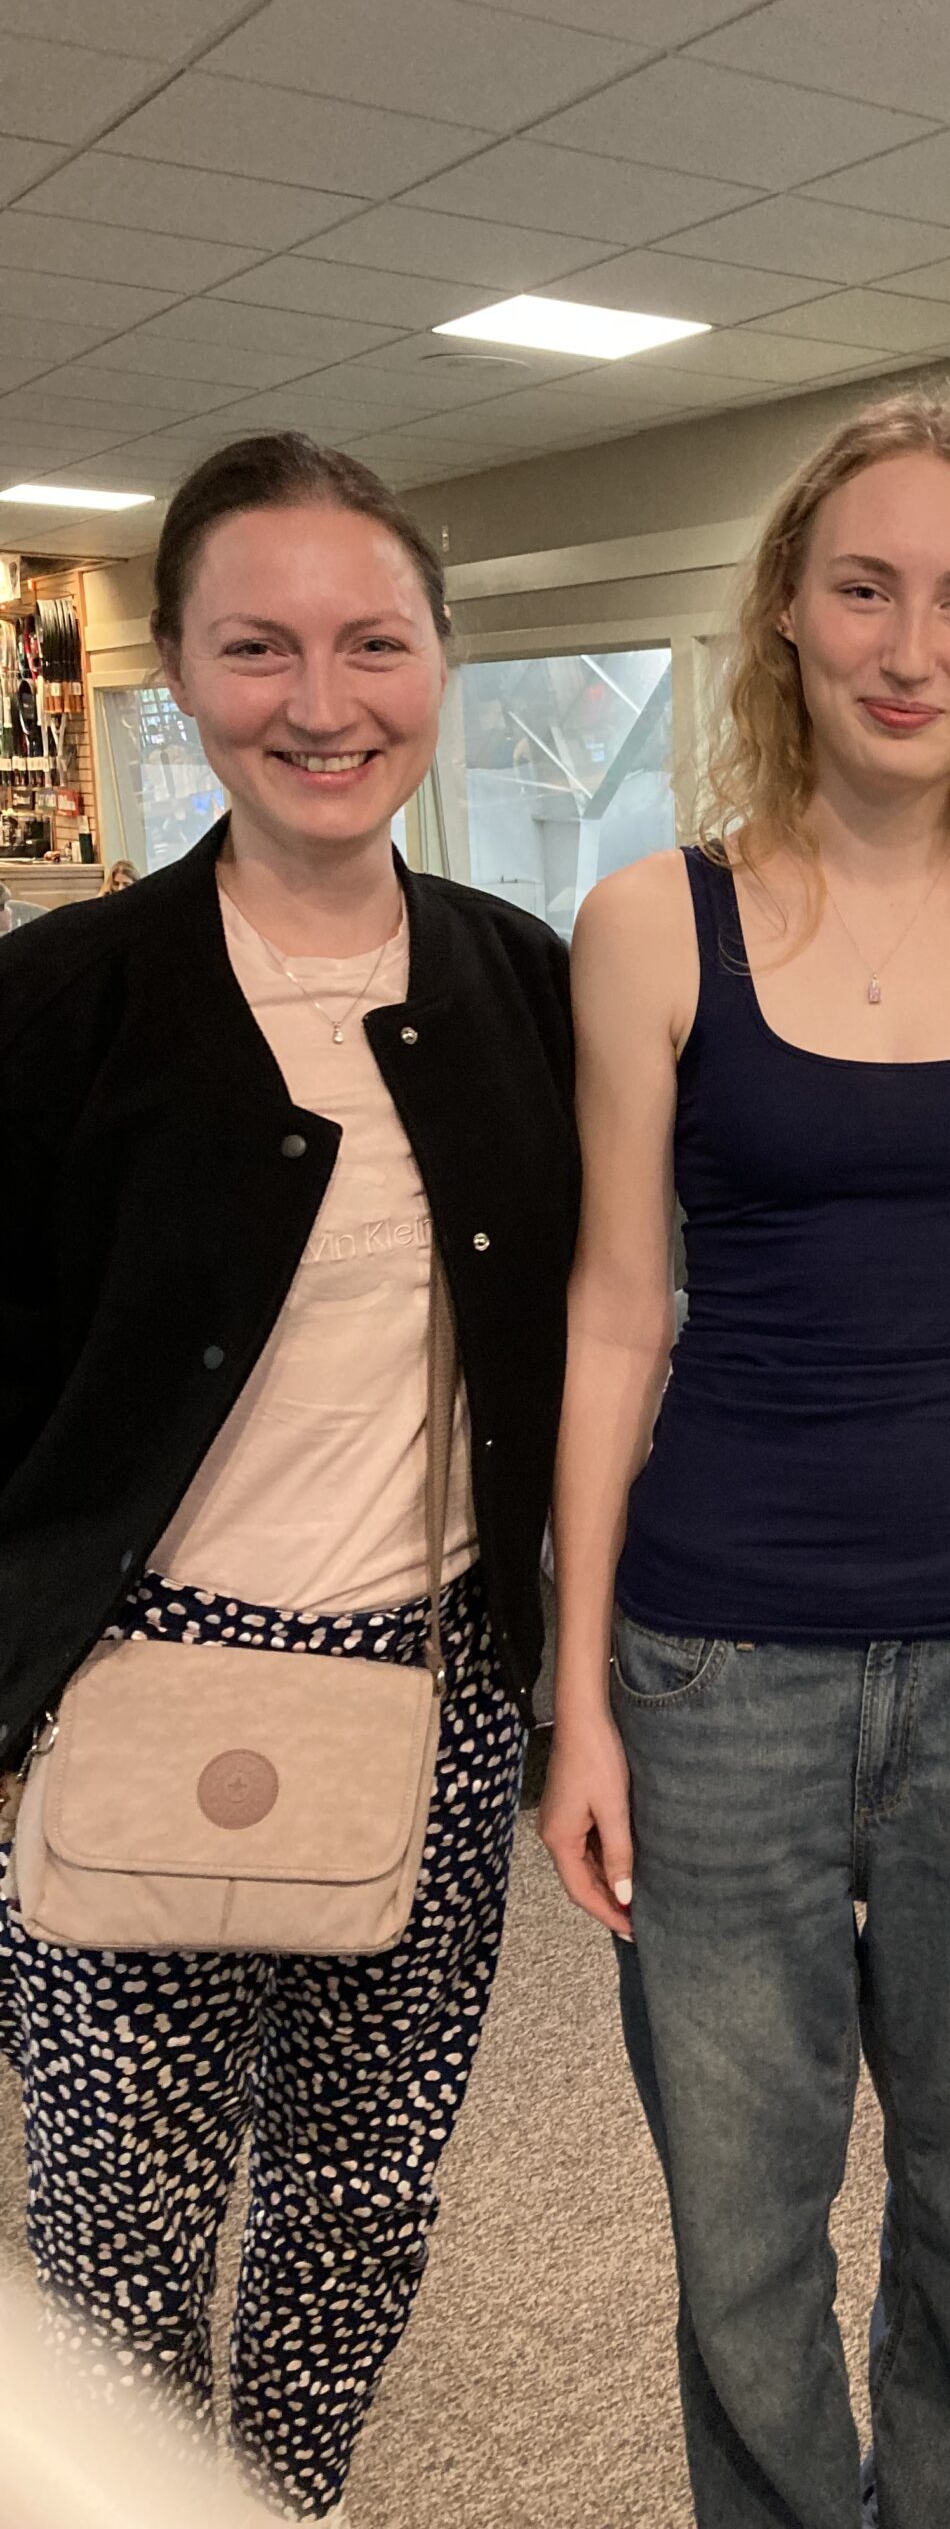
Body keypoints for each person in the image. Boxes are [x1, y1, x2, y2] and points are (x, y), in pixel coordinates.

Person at [540, 390, 950, 2529]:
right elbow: (618, 1313)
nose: (915, 643)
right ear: (788, 620)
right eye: (868, 588)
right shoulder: (653, 922)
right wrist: (578, 1701)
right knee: (743, 2235)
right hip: (715, 1669)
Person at [0, 434, 577, 2524]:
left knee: (363, 2189)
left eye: (370, 640)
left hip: (434, 1705)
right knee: (118, 2208)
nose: (320, 699)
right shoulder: (64, 996)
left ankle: (292, 2488)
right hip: (133, 1692)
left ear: (442, 654)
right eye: (259, 645)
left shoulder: (526, 983)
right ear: (180, 676)